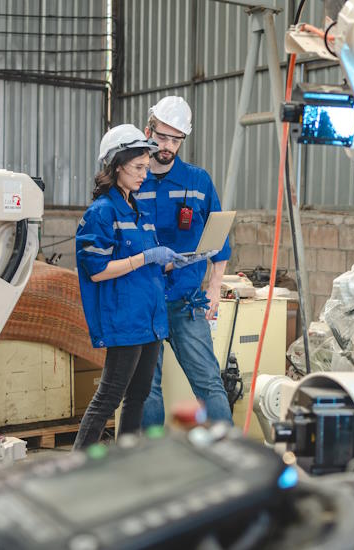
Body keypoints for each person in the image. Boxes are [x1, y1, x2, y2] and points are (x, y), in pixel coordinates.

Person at [73, 124, 186, 449]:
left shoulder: (139, 210)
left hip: (150, 320)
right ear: (116, 165)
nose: (143, 174)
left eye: (146, 167)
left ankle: (125, 464)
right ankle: (77, 466)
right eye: (137, 167)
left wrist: (172, 261)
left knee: (138, 397)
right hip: (125, 320)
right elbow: (97, 271)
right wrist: (147, 256)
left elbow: (147, 261)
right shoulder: (102, 213)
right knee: (109, 397)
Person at [136, 96, 234, 426]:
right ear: (147, 130)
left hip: (187, 301)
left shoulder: (197, 181)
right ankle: (147, 465)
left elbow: (219, 236)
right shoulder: (132, 181)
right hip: (144, 300)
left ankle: (226, 452)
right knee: (146, 390)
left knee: (209, 383)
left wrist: (216, 289)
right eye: (161, 137)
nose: (167, 146)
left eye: (175, 140)